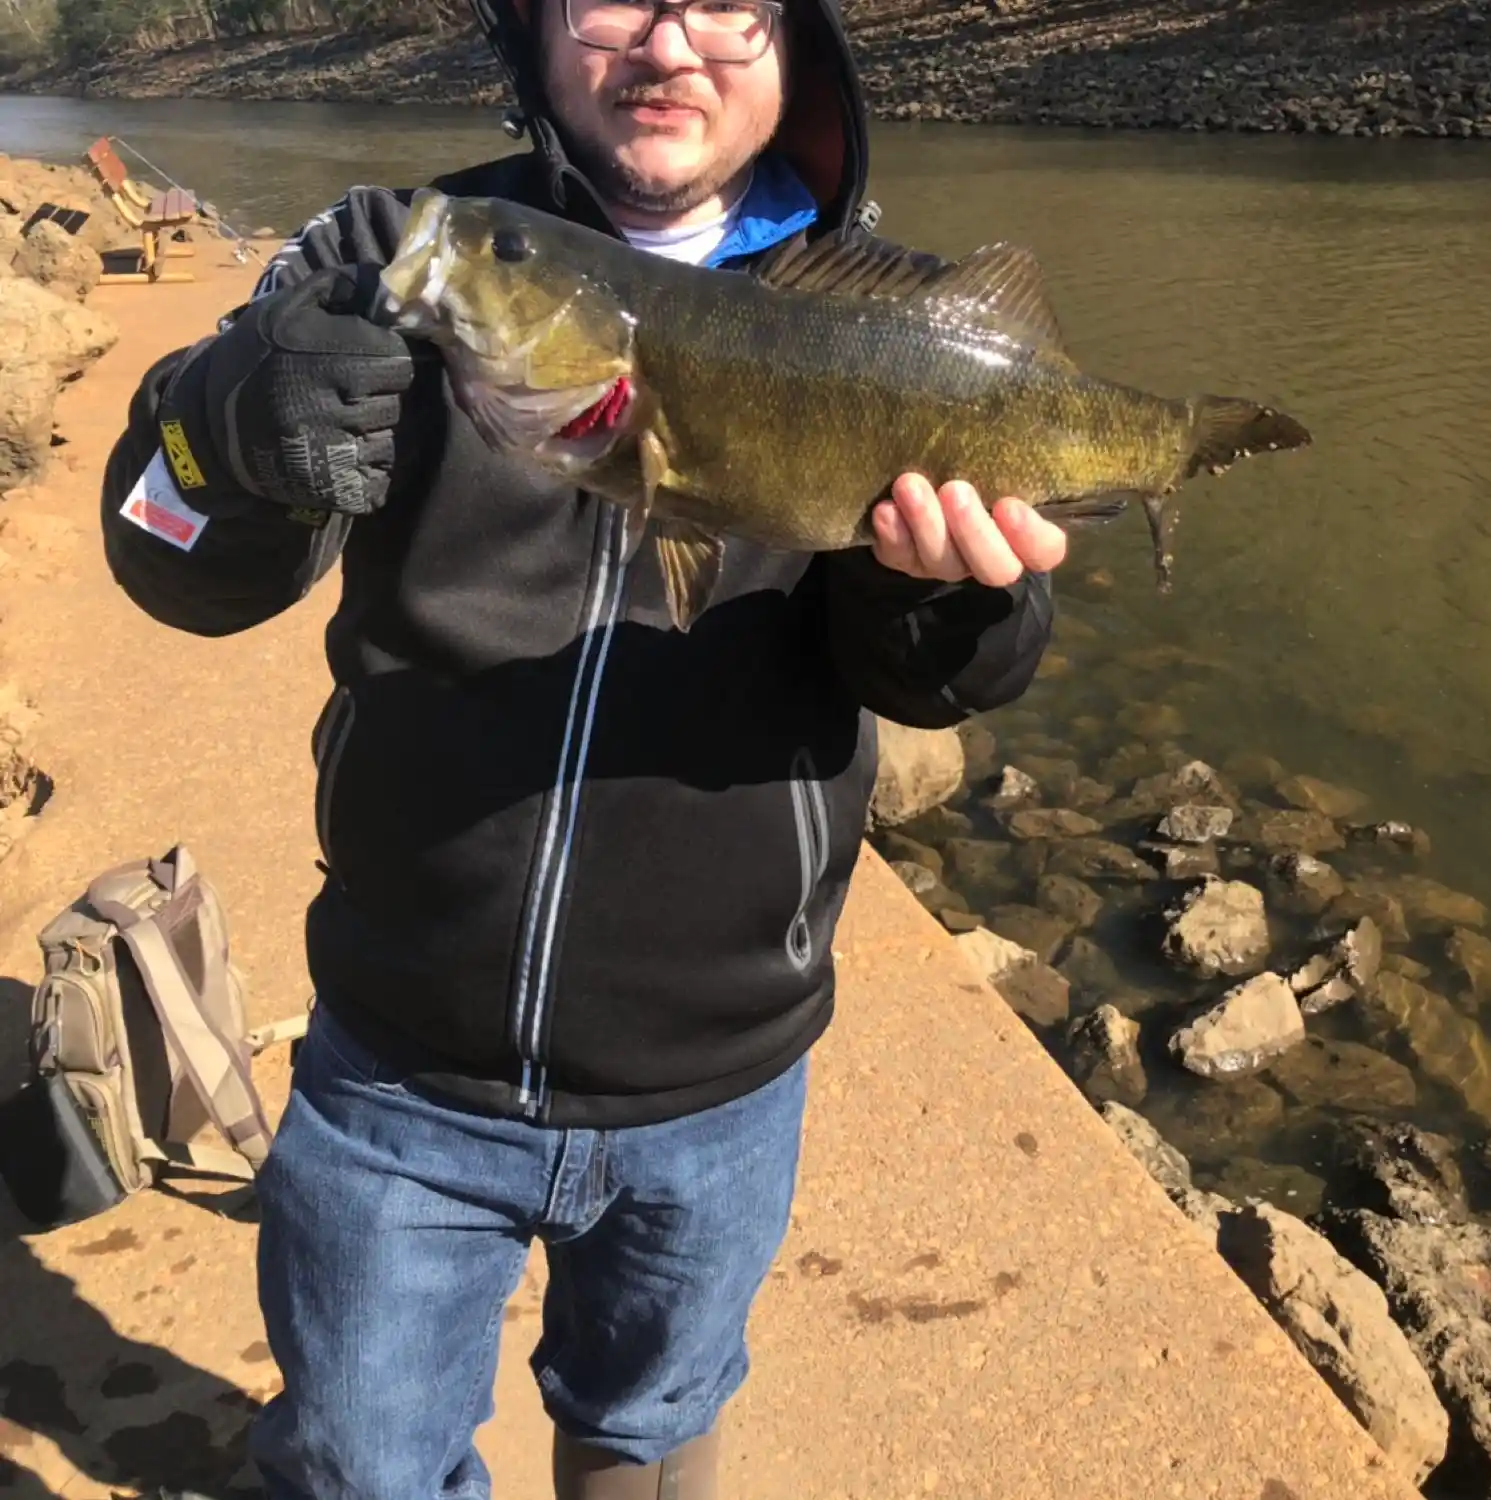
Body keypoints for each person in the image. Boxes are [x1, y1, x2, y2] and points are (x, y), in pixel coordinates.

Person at [99, 0, 1067, 1494]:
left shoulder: (893, 319)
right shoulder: (407, 253)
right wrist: (225, 426)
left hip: (722, 1082)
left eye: (729, 2)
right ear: (535, 35)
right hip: (399, 1075)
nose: (670, 43)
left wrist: (939, 594)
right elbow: (154, 536)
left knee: (652, 1432)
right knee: (357, 1461)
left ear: (800, 40)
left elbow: (963, 674)